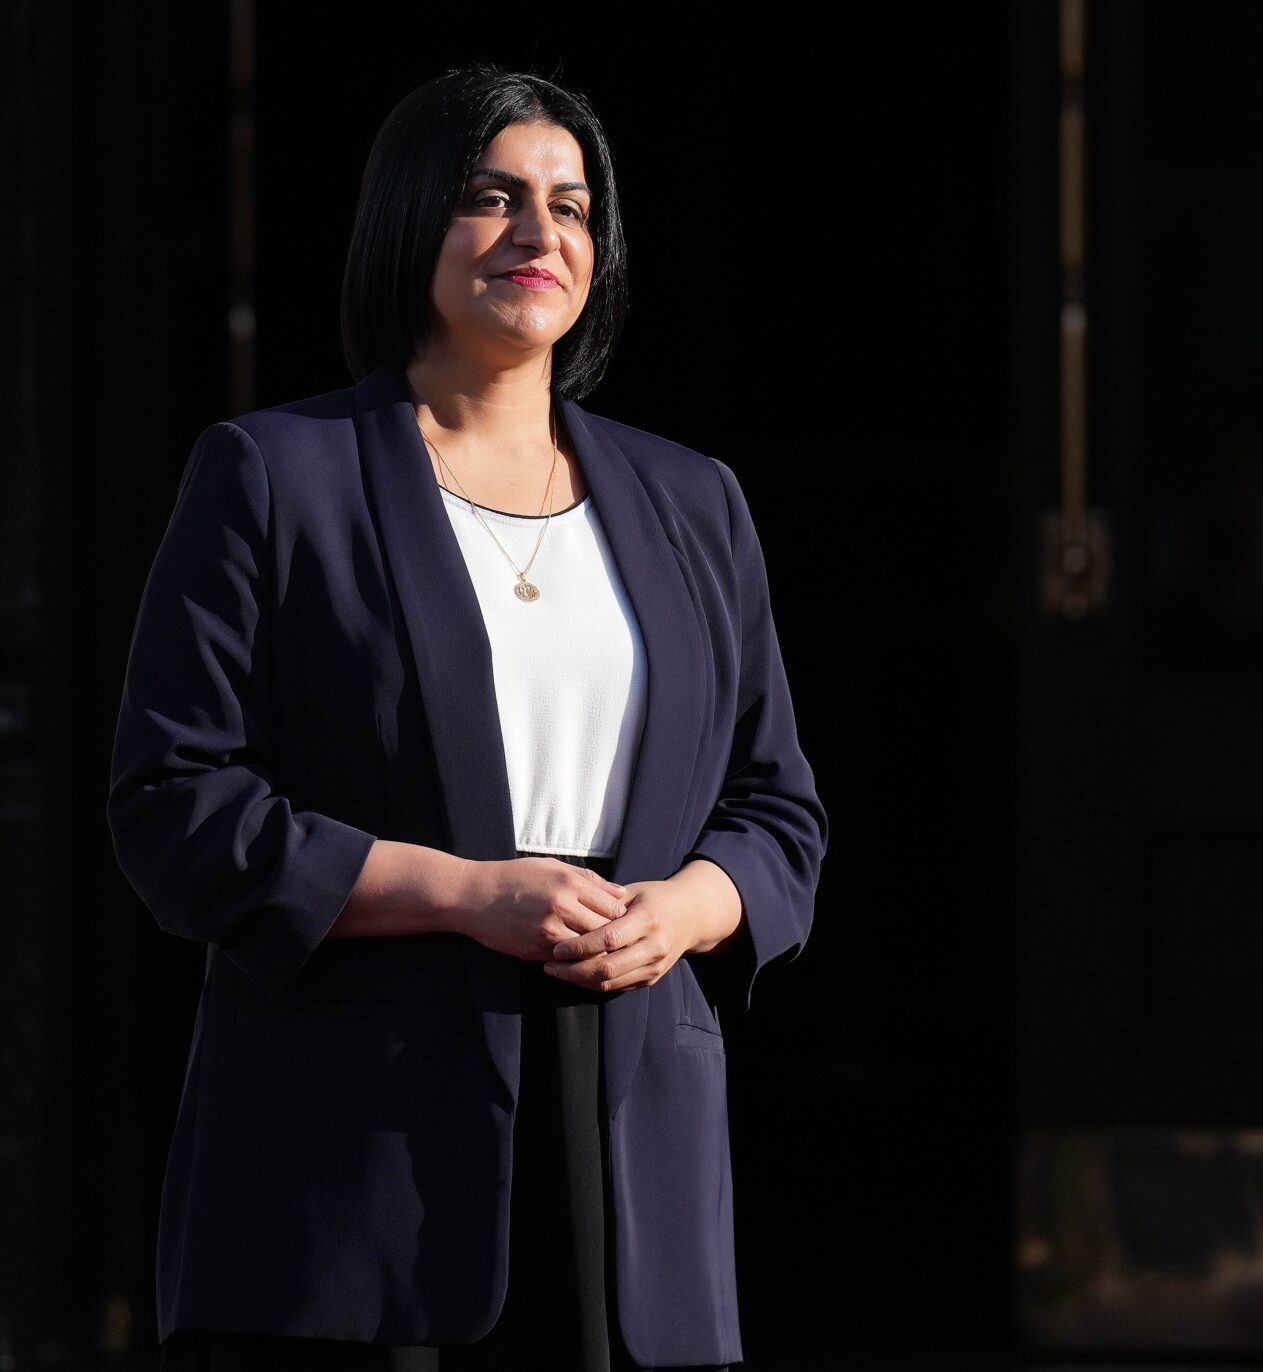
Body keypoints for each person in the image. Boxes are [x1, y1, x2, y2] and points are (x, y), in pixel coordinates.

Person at [107, 64, 826, 1371]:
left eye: (571, 206)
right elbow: (175, 804)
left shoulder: (693, 499)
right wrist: (461, 893)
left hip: (630, 1138)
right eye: (490, 198)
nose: (538, 233)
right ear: (408, 222)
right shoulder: (275, 475)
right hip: (356, 1154)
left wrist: (687, 909)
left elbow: (777, 811)